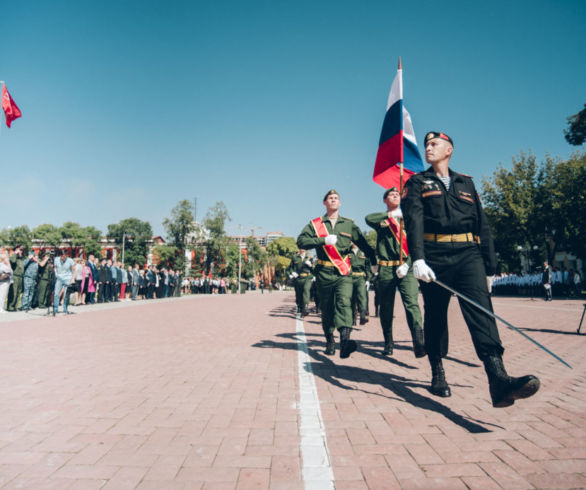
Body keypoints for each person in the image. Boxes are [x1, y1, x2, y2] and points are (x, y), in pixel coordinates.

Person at [402, 131, 540, 408]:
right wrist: (417, 258)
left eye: (434, 144)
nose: (428, 148)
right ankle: (437, 370)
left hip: (469, 255)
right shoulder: (417, 182)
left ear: (448, 150)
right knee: (436, 315)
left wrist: (490, 268)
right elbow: (413, 221)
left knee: (482, 313)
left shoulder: (466, 183)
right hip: (435, 256)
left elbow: (482, 225)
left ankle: (498, 379)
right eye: (426, 144)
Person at [297, 189, 376, 358]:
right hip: (324, 272)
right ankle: (329, 340)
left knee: (344, 302)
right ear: (325, 203)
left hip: (343, 272)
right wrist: (322, 240)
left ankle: (345, 341)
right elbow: (301, 240)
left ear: (340, 203)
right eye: (330, 198)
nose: (333, 200)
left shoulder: (349, 225)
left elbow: (363, 244)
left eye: (336, 198)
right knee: (327, 309)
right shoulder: (315, 224)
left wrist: (374, 261)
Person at [365, 187, 425, 357]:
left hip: (406, 267)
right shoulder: (382, 220)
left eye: (397, 194)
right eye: (391, 194)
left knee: (412, 303)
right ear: (385, 200)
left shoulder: (410, 219)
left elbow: (417, 244)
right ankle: (388, 342)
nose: (395, 195)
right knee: (386, 307)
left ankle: (418, 341)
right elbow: (368, 218)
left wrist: (408, 263)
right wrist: (391, 215)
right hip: (386, 268)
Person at [348, 242, 373, 326]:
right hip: (350, 278)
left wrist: (368, 280)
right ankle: (352, 318)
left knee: (362, 296)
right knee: (351, 299)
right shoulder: (347, 252)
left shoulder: (364, 252)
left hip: (360, 278)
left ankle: (362, 316)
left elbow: (368, 267)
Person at [287, 249, 314, 316]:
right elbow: (291, 267)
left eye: (303, 248)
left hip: (307, 278)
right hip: (298, 278)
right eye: (301, 248)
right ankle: (299, 306)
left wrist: (311, 265)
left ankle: (305, 307)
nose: (302, 249)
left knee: (306, 290)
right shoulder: (295, 257)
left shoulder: (310, 257)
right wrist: (292, 272)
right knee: (299, 294)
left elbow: (314, 268)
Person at [53, 250, 75, 315]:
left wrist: (73, 279)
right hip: (59, 278)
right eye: (62, 256)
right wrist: (55, 274)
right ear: (60, 256)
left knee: (66, 294)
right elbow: (54, 267)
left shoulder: (70, 260)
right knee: (56, 293)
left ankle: (65, 309)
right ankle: (55, 309)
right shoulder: (56, 259)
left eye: (65, 256)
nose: (63, 257)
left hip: (68, 278)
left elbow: (74, 270)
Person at [6, 245, 25, 312]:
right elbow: (13, 261)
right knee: (13, 292)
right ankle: (10, 306)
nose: (21, 251)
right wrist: (15, 253)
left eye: (22, 250)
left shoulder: (20, 259)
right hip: (15, 276)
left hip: (20, 277)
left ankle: (14, 306)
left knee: (18, 292)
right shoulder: (13, 257)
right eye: (20, 250)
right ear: (16, 249)